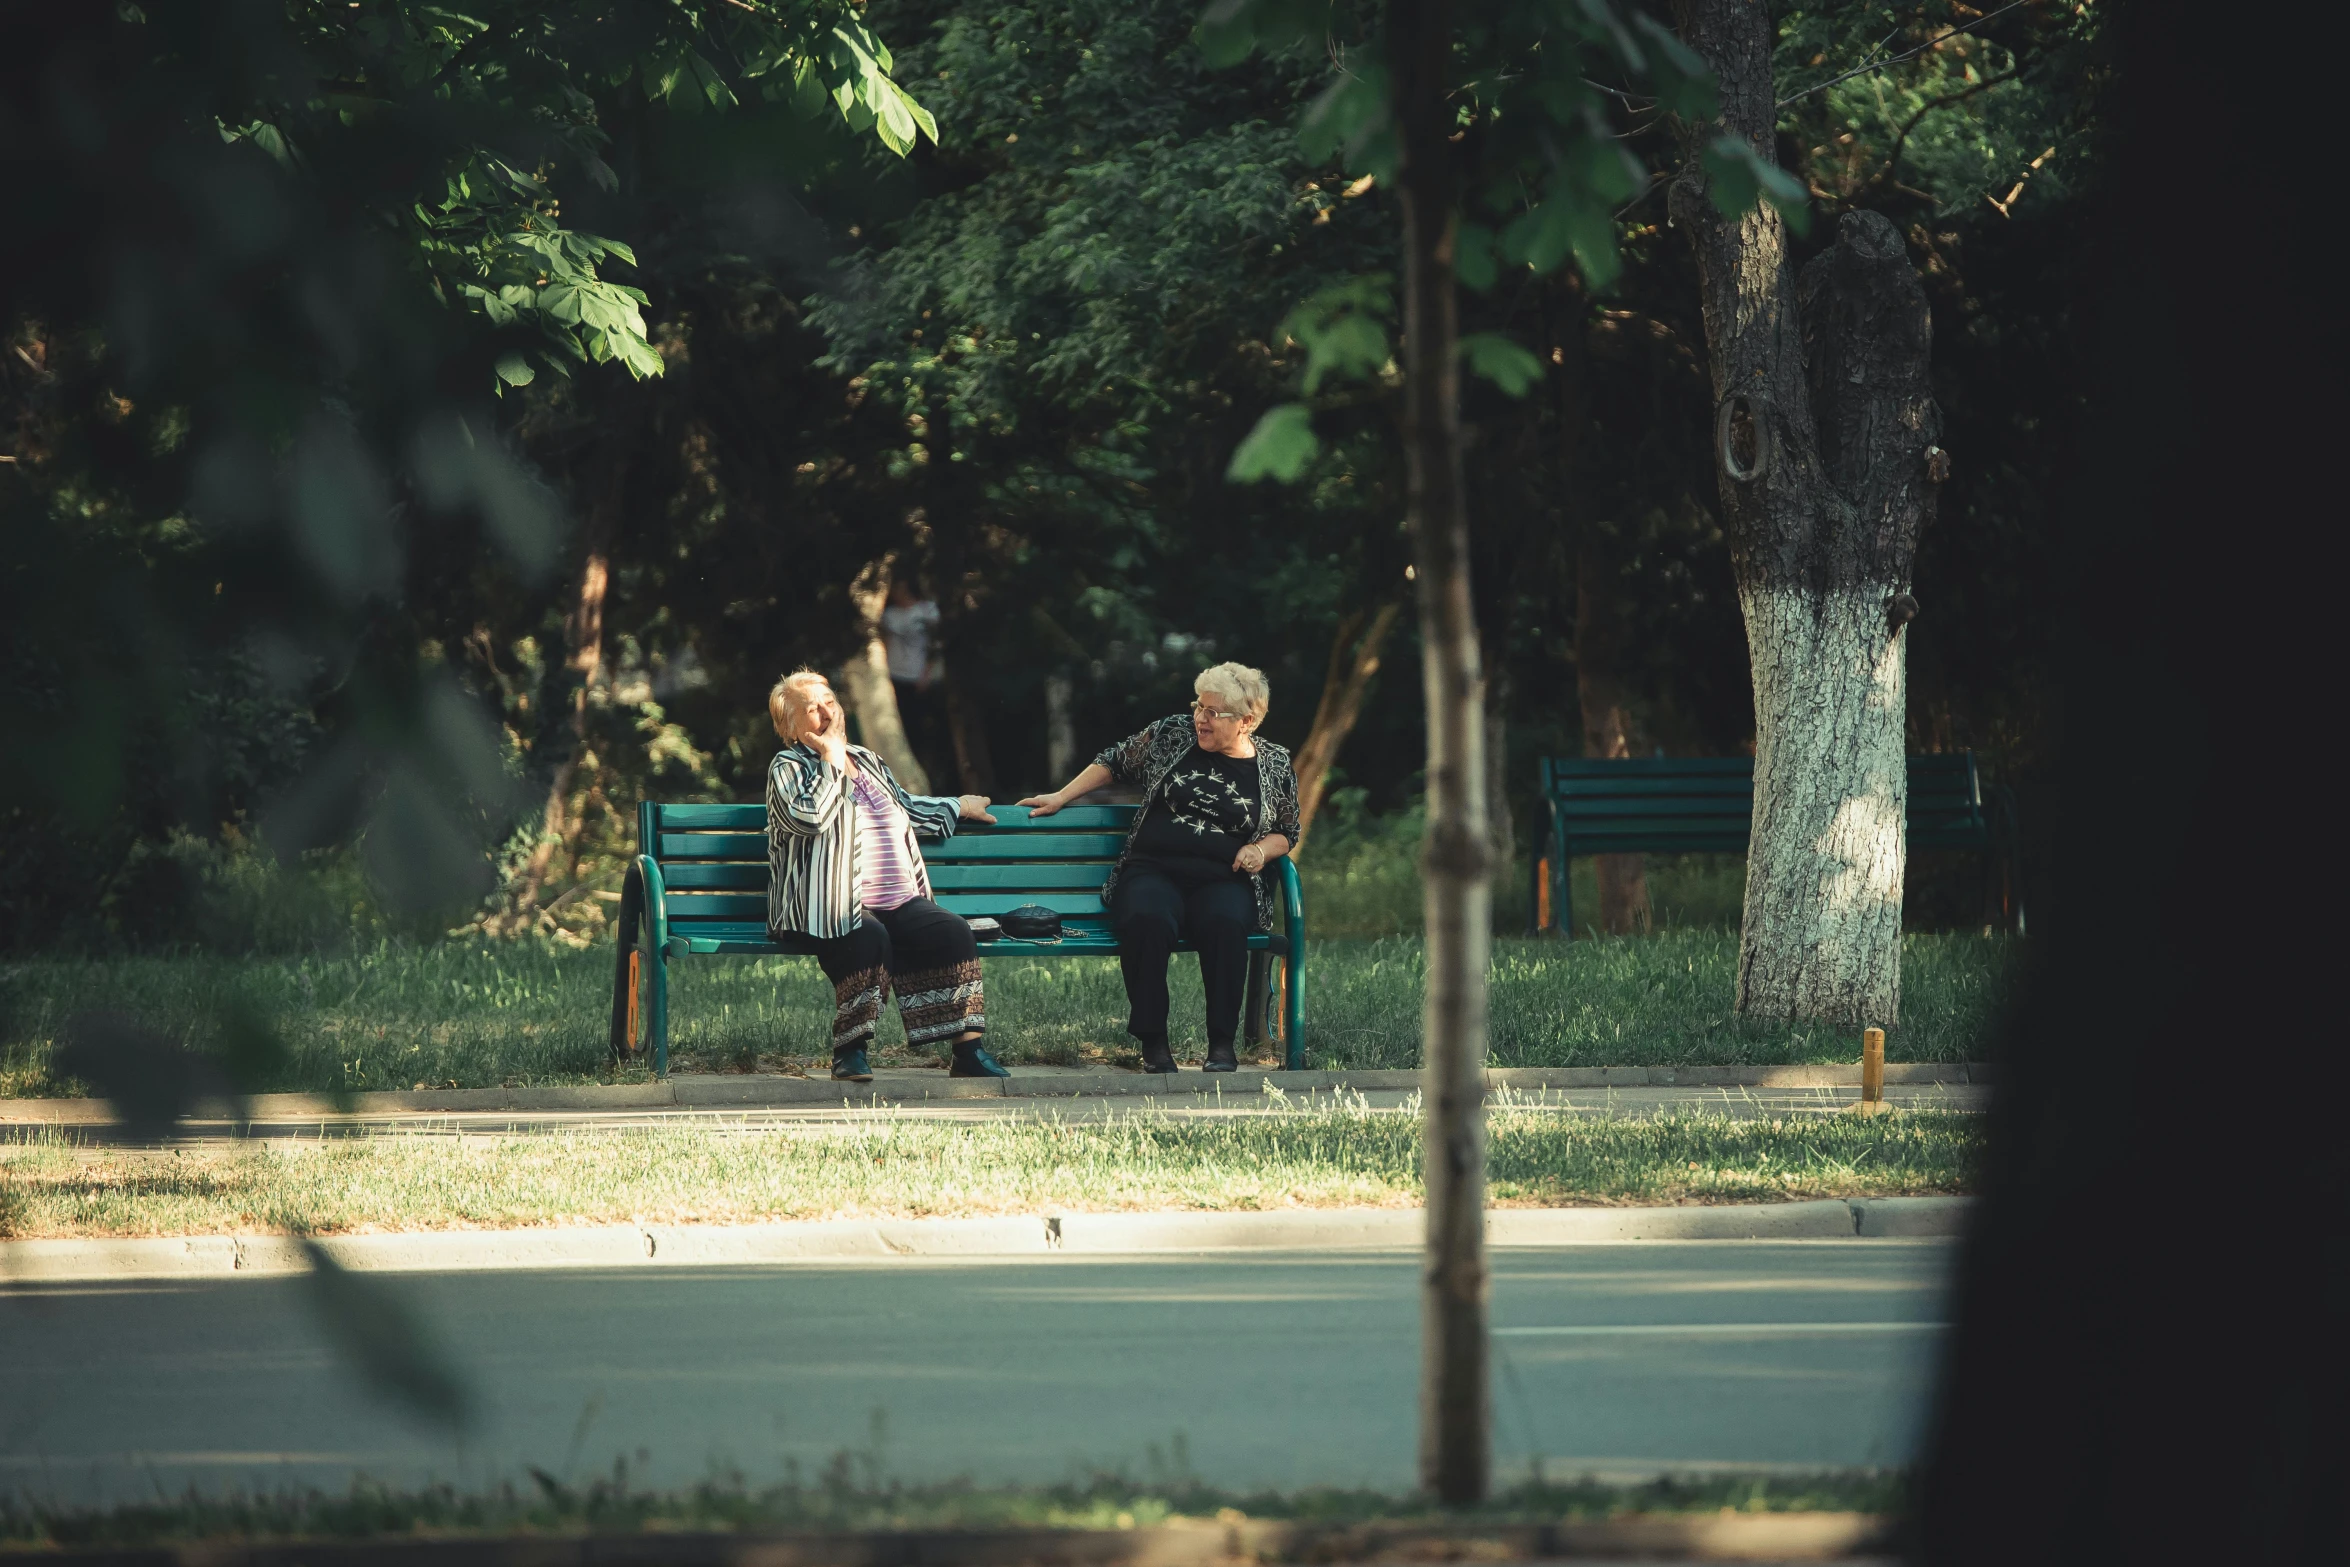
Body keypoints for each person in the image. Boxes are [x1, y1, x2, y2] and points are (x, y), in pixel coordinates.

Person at [1020, 662, 1300, 1073]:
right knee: (1146, 919)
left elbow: (1287, 830)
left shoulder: (1274, 764)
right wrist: (1063, 796)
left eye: (1213, 713)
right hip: (1154, 870)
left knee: (1226, 923)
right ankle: (1154, 1042)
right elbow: (1114, 760)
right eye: (1198, 706)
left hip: (1224, 877)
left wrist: (1261, 850)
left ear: (1247, 721)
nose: (1200, 719)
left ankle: (1222, 1045)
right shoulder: (1173, 734)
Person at [766, 669, 1008, 1082]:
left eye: (830, 701)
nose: (826, 711)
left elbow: (907, 808)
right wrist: (830, 759)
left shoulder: (868, 760)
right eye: (811, 708)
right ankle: (850, 1051)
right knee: (868, 936)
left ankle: (968, 1050)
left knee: (950, 931)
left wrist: (960, 806)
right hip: (827, 904)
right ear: (789, 726)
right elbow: (810, 818)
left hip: (898, 899)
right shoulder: (787, 767)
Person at [880, 578, 951, 787]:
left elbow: (935, 646)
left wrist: (926, 674)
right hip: (897, 677)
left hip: (923, 679)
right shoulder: (890, 615)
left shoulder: (927, 611)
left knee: (929, 733)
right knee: (907, 731)